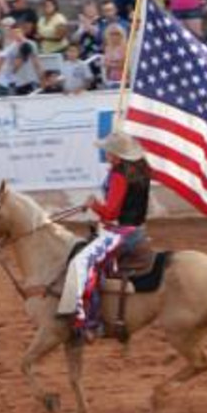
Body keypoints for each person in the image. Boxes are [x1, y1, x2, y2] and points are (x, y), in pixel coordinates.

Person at [56, 129, 151, 340]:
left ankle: (92, 322)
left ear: (116, 154)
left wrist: (94, 204)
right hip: (137, 230)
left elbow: (112, 212)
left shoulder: (119, 175)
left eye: (108, 151)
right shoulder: (139, 170)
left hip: (122, 233)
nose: (105, 153)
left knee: (82, 264)